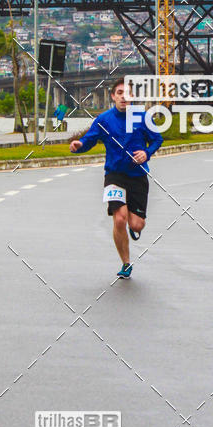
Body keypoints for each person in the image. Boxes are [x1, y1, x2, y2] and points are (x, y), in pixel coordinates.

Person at [69, 78, 163, 279]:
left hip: (138, 175)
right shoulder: (104, 119)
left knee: (136, 224)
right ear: (113, 96)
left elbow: (157, 139)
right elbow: (89, 140)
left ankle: (133, 223)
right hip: (114, 175)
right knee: (119, 219)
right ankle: (126, 263)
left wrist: (147, 153)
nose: (123, 97)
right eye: (119, 93)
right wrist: (79, 145)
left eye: (127, 93)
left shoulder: (142, 117)